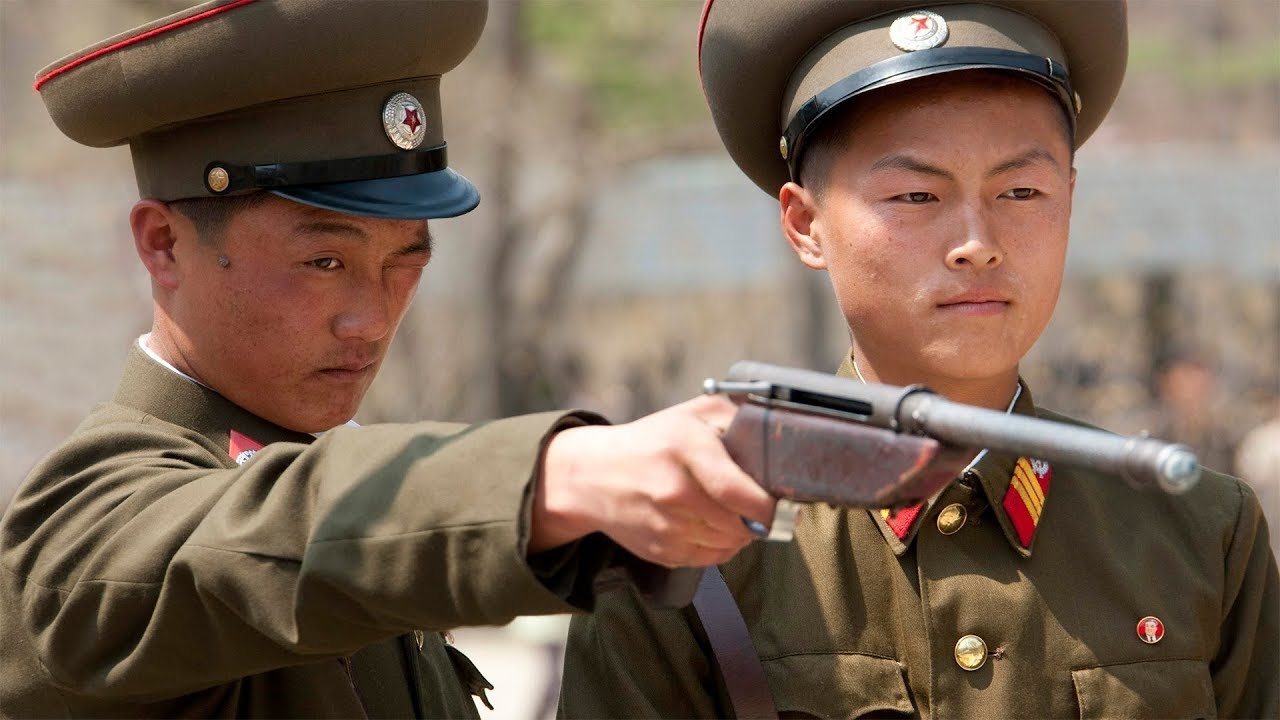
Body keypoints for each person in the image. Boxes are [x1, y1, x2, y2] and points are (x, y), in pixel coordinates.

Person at [0, 1, 776, 717]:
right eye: (325, 263)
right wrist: (562, 475)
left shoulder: (353, 491)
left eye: (406, 261)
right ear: (163, 244)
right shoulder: (86, 518)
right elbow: (267, 534)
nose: (372, 319)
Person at [559, 1, 1279, 718]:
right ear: (805, 225)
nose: (977, 241)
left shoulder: (1198, 534)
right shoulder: (681, 535)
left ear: (1070, 200)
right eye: (917, 195)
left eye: (1022, 191)